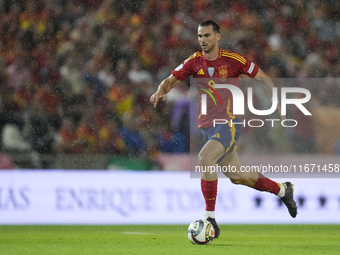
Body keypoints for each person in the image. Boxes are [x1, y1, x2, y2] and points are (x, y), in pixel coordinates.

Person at [150, 20, 297, 238]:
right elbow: (171, 79)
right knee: (238, 176)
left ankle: (210, 218)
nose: (202, 40)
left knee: (205, 158)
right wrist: (160, 90)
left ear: (218, 36)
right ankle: (283, 190)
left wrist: (277, 101)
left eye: (207, 36)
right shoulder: (194, 61)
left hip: (228, 123)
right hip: (207, 128)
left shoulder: (233, 60)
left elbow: (263, 77)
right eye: (200, 36)